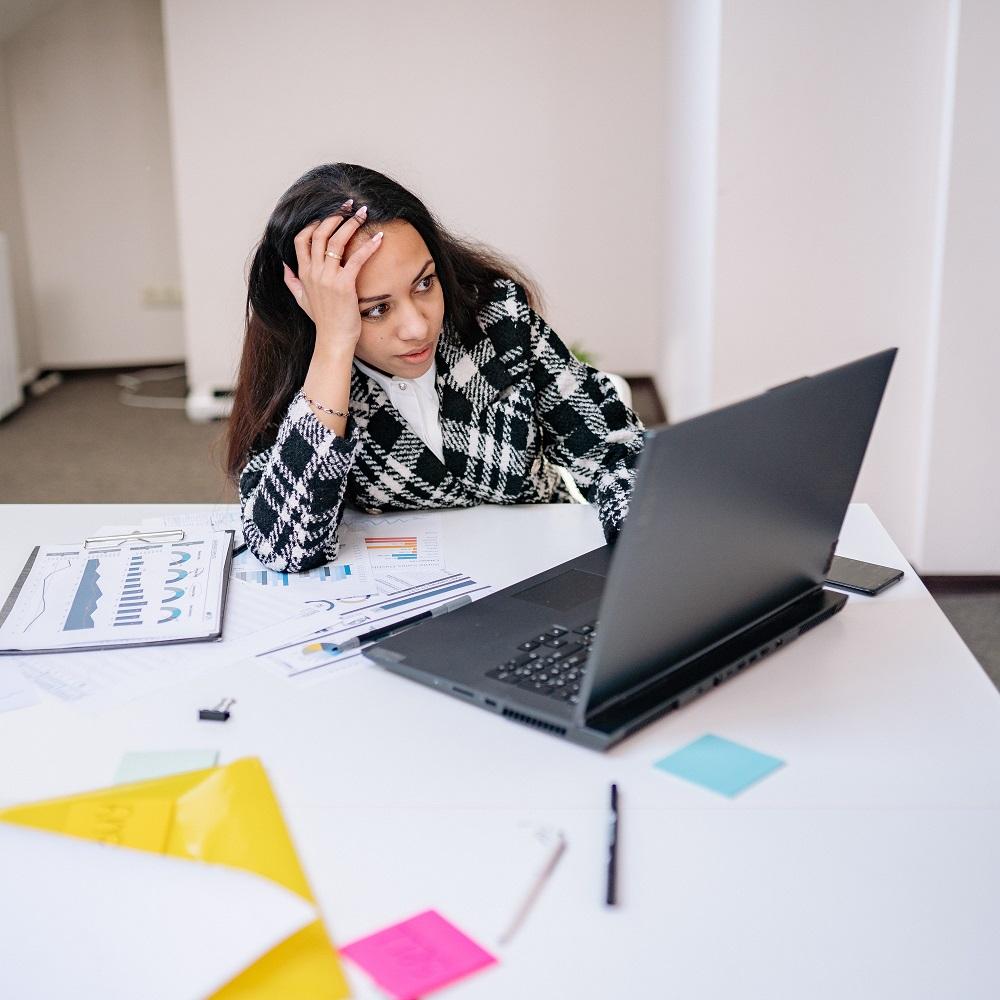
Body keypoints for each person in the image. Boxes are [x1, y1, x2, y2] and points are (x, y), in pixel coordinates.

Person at [226, 163, 645, 572]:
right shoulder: (307, 368)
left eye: (424, 283)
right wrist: (334, 346)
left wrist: (635, 558)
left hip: (540, 570)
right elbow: (285, 547)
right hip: (401, 598)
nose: (417, 327)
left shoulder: (498, 320)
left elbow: (615, 450)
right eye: (375, 309)